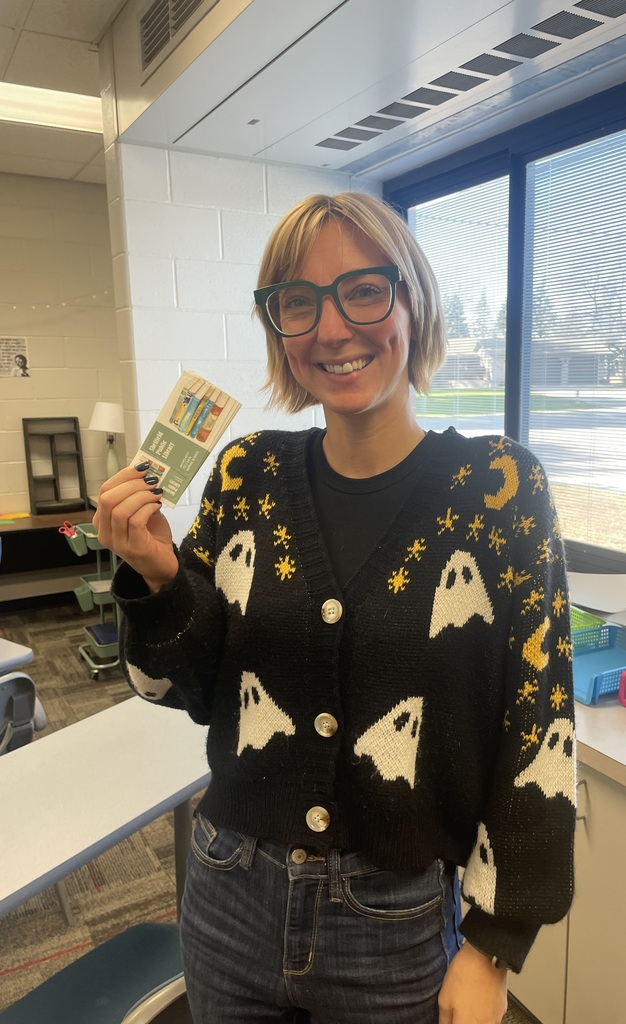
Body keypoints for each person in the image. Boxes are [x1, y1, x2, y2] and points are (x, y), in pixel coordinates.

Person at [94, 192, 576, 1024]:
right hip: (227, 895)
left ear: (413, 302)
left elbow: (539, 724)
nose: (331, 328)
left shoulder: (500, 491)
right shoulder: (247, 476)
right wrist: (160, 580)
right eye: (298, 302)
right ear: (277, 326)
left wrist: (495, 943)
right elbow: (185, 689)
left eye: (363, 291)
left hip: (395, 925)